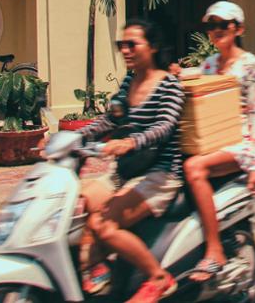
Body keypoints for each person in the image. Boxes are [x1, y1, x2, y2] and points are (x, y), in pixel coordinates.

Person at [77, 18, 185, 303]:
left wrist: (130, 142)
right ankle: (98, 268)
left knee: (104, 225)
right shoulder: (128, 82)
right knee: (79, 202)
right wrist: (74, 139)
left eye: (132, 44)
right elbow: (111, 117)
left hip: (160, 174)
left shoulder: (168, 84)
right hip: (126, 171)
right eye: (121, 45)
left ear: (152, 47)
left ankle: (158, 277)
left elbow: (165, 127)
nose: (125, 50)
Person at [183, 1, 255, 282]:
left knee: (194, 168)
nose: (216, 31)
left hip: (242, 142)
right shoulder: (209, 64)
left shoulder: (251, 65)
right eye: (211, 25)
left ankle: (214, 251)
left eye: (223, 25)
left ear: (239, 29)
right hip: (214, 139)